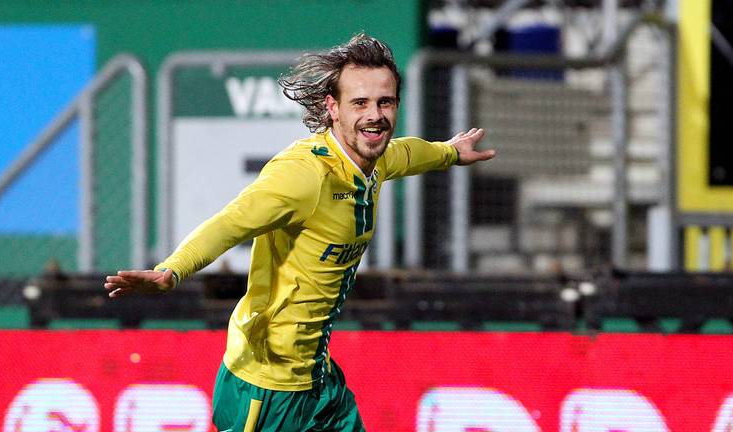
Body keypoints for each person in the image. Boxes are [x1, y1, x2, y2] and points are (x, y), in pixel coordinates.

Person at [104, 33, 494, 431]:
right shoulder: (304, 175)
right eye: (359, 103)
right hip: (265, 388)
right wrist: (173, 270)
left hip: (318, 382)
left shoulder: (372, 158)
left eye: (385, 102)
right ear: (333, 108)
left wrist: (450, 151)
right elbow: (230, 222)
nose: (375, 115)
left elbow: (408, 153)